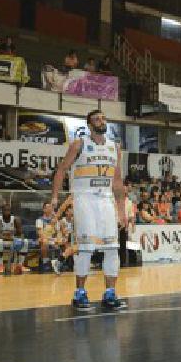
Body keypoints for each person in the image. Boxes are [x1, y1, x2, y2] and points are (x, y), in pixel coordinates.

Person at [52, 109, 127, 311]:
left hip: (105, 200)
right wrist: (54, 197)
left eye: (103, 117)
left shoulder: (114, 148)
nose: (101, 121)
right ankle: (79, 294)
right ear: (89, 124)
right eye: (96, 119)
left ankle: (110, 293)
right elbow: (61, 169)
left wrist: (122, 210)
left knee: (112, 248)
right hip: (84, 198)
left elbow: (118, 182)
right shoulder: (80, 144)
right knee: (85, 248)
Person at [0, 204, 29, 275]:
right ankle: (1, 265)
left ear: (10, 211)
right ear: (2, 211)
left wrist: (8, 236)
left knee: (25, 241)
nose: (7, 212)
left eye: (8, 210)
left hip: (13, 240)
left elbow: (20, 233)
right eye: (5, 210)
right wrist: (9, 236)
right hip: (3, 241)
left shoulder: (16, 219)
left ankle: (21, 265)